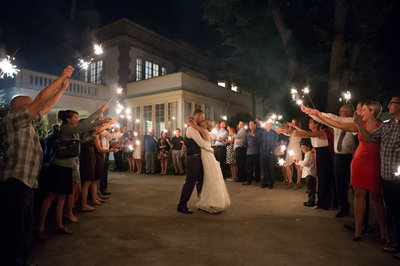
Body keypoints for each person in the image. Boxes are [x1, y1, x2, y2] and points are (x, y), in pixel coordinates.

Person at [0, 65, 74, 266]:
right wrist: (60, 78)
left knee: (23, 231)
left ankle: (21, 260)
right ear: (21, 108)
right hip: (14, 183)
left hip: (26, 185)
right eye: (30, 105)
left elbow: (46, 106)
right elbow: (41, 100)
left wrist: (61, 91)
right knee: (14, 233)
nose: (36, 107)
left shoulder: (29, 123)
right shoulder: (12, 120)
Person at [305, 101, 388, 242]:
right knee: (358, 196)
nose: (359, 112)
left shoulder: (382, 127)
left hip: (373, 163)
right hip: (358, 161)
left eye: (363, 110)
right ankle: (357, 231)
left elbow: (369, 139)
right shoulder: (358, 124)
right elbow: (338, 124)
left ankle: (384, 232)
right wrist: (318, 114)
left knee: (377, 198)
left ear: (372, 112)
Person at [37, 105, 112, 237]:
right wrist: (101, 116)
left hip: (68, 167)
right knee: (51, 196)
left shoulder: (73, 131)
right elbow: (85, 125)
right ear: (68, 119)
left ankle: (59, 224)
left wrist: (96, 129)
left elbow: (83, 138)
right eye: (75, 117)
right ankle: (41, 226)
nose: (77, 120)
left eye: (78, 117)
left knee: (62, 197)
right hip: (59, 166)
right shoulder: (67, 129)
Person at [354, 96, 400, 258]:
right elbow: (369, 138)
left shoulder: (388, 125)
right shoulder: (387, 126)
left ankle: (391, 239)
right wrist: (359, 124)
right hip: (385, 174)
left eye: (392, 103)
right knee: (393, 209)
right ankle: (394, 242)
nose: (389, 105)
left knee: (393, 207)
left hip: (394, 174)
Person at [303, 104, 356, 218]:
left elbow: (333, 118)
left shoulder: (352, 121)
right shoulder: (336, 124)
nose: (340, 112)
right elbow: (326, 119)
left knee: (353, 186)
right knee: (339, 184)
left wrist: (315, 112)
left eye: (343, 111)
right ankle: (343, 207)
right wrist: (312, 113)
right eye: (340, 110)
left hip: (351, 157)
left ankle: (358, 210)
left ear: (351, 112)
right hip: (338, 156)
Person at [188, 118, 231, 213]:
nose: (201, 121)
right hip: (208, 154)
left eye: (203, 121)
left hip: (206, 154)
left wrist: (191, 122)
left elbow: (194, 126)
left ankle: (210, 201)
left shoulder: (203, 130)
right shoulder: (207, 132)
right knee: (209, 178)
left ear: (206, 124)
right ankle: (212, 201)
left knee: (208, 178)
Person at [177, 109, 214, 214]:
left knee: (200, 181)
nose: (203, 119)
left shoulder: (195, 127)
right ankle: (181, 205)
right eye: (202, 117)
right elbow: (201, 143)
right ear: (197, 116)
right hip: (192, 158)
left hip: (198, 158)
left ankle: (201, 203)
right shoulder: (191, 129)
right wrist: (211, 149)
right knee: (190, 181)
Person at [294, 118, 335, 210]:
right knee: (320, 181)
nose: (309, 124)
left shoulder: (322, 132)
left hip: (325, 158)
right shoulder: (316, 133)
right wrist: (292, 130)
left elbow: (306, 134)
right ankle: (322, 203)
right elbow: (306, 132)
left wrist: (292, 132)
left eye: (310, 123)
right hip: (320, 157)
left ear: (317, 124)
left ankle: (328, 204)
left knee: (325, 181)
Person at [295, 139, 317, 207]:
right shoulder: (308, 153)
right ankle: (310, 201)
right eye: (301, 146)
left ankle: (311, 202)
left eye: (303, 146)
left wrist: (299, 162)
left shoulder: (308, 154)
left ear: (308, 147)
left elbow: (305, 163)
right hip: (310, 174)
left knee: (310, 189)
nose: (302, 148)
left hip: (310, 174)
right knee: (310, 189)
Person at [260, 121, 278, 188]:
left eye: (267, 124)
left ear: (270, 124)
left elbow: (275, 142)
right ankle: (265, 182)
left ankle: (271, 183)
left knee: (270, 167)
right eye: (265, 124)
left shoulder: (273, 132)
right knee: (264, 168)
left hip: (270, 153)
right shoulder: (263, 132)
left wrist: (272, 150)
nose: (266, 125)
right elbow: (260, 141)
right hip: (263, 153)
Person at [243, 120, 261, 185]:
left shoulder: (258, 132)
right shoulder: (247, 133)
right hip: (249, 152)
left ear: (255, 125)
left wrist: (254, 136)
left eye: (252, 124)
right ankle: (249, 180)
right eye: (249, 125)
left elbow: (260, 141)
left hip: (256, 152)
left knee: (257, 168)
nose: (250, 126)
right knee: (249, 168)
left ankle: (258, 181)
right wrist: (242, 143)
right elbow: (245, 143)